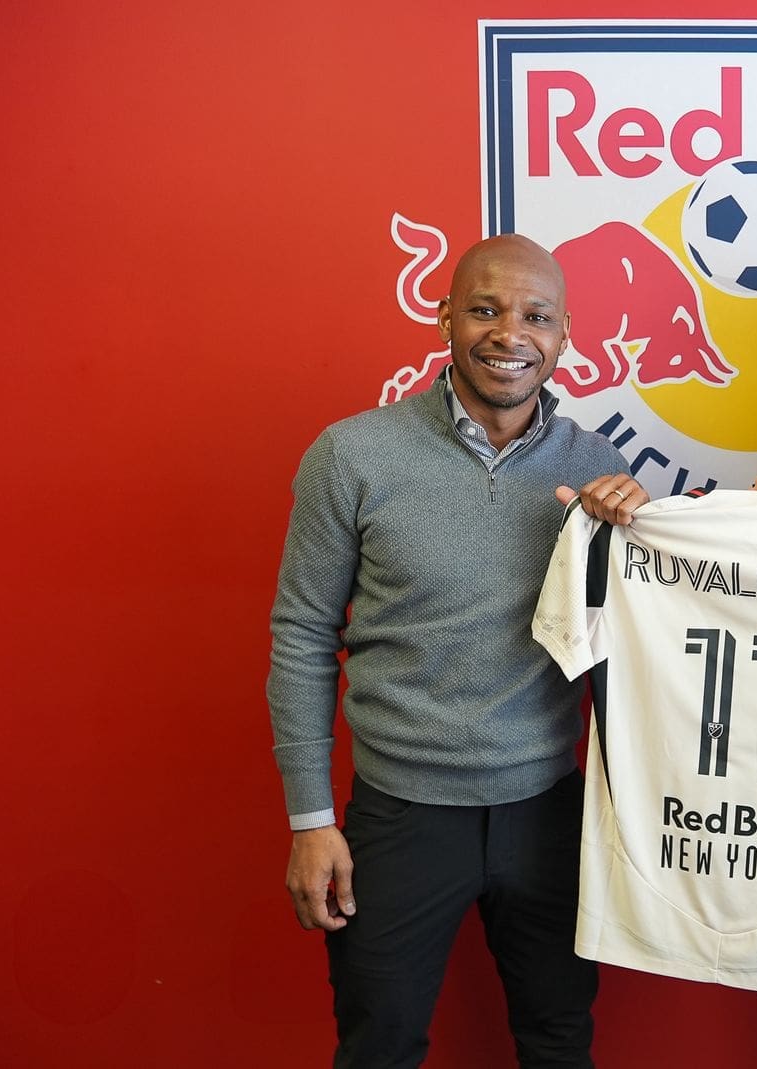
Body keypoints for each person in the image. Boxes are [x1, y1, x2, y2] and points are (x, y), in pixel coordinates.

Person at [267, 233, 628, 1069]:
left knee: (560, 1040)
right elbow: (301, 633)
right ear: (443, 321)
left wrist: (634, 530)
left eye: (536, 316)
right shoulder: (352, 455)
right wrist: (310, 817)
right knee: (379, 1045)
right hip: (399, 816)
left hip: (547, 810)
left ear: (565, 337)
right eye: (485, 309)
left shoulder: (598, 466)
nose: (510, 333)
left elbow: (638, 642)